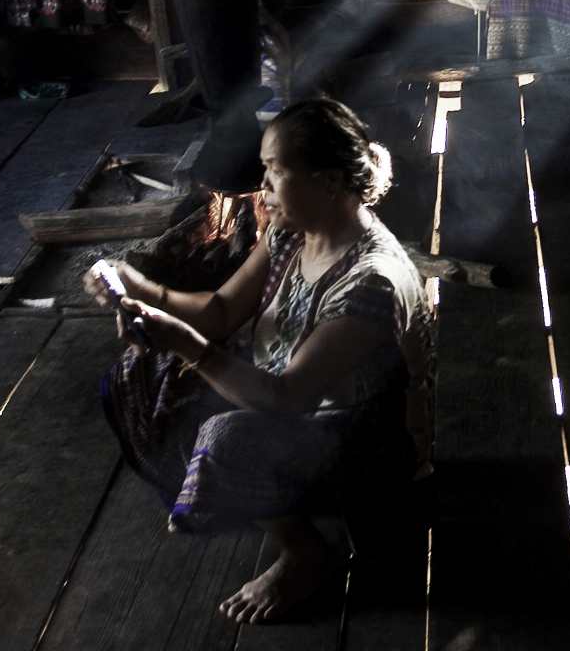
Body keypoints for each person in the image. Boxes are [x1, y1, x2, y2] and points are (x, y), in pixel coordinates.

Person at [87, 97, 434, 624]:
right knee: (140, 375)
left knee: (227, 437)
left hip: (365, 438)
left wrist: (185, 344)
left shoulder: (370, 282)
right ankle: (274, 504)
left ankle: (303, 551)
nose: (263, 184)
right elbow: (221, 311)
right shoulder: (294, 231)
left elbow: (289, 399)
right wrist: (140, 288)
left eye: (275, 170)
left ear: (331, 181)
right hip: (294, 406)